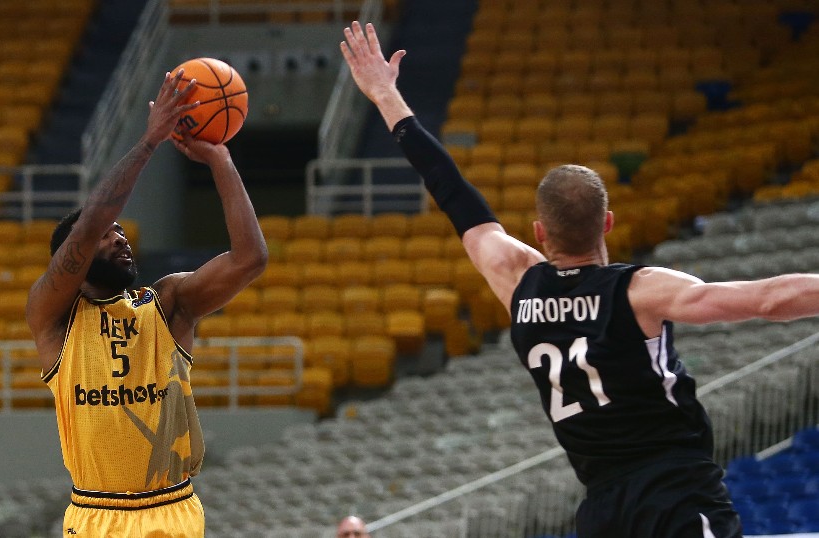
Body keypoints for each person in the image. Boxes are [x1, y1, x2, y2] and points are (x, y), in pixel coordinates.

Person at [342, 20, 819, 538]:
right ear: (608, 223)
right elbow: (770, 300)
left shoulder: (517, 281)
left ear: (540, 231)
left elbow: (449, 186)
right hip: (676, 497)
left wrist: (386, 95)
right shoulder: (639, 290)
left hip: (603, 511)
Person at [25, 70, 267, 537]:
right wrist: (149, 142)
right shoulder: (52, 317)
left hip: (169, 508)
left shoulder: (170, 303)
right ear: (72, 257)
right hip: (97, 514)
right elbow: (93, 219)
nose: (120, 239)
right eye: (107, 237)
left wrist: (220, 161)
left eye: (122, 233)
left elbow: (250, 258)